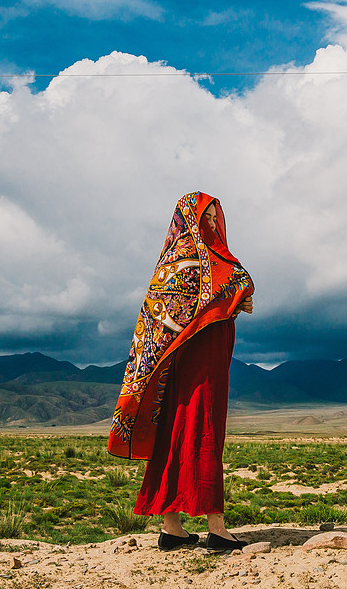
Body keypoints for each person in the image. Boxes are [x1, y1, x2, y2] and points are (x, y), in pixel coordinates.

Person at [107, 192, 254, 551]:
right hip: (192, 363)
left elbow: (220, 302)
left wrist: (236, 302)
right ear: (190, 218)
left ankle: (172, 528)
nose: (215, 223)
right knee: (202, 428)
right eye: (209, 217)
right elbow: (185, 312)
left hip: (200, 360)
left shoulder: (209, 260)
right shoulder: (184, 261)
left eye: (218, 217)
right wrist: (235, 299)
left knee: (183, 430)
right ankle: (215, 528)